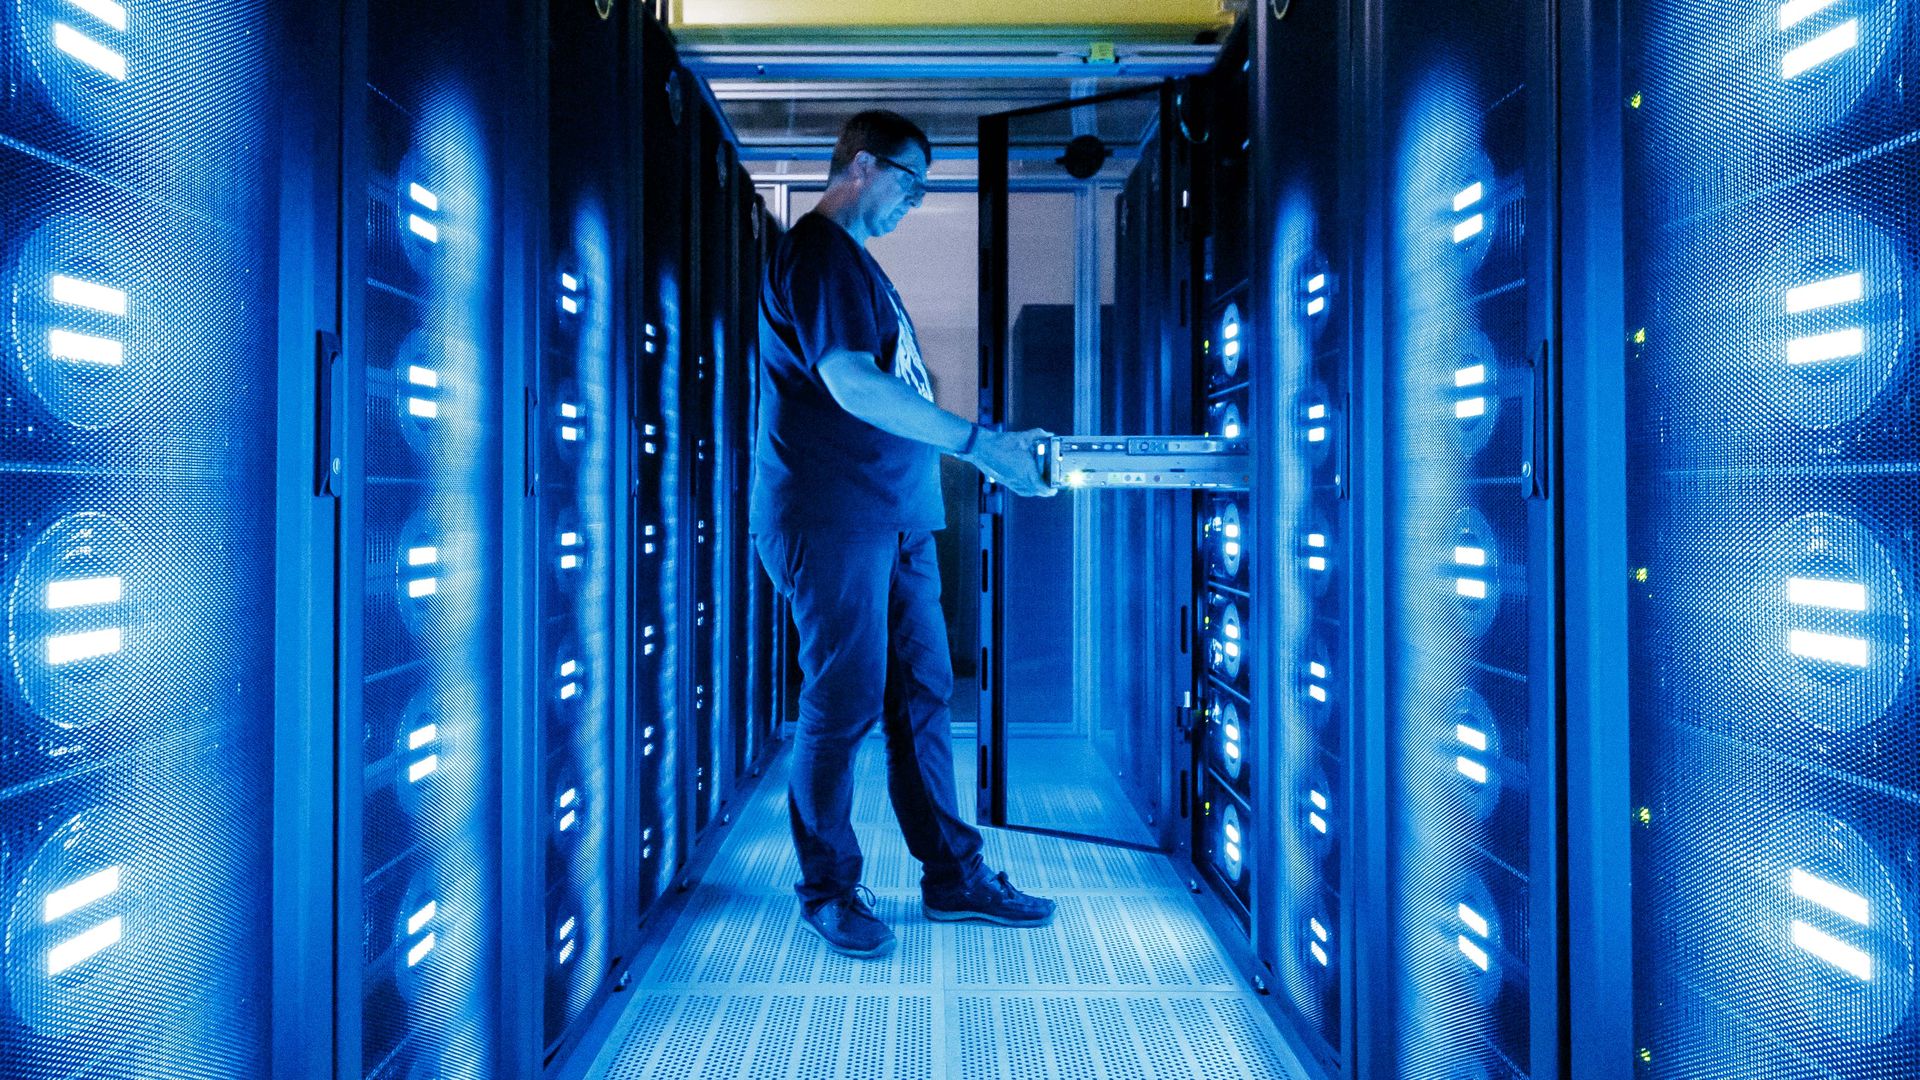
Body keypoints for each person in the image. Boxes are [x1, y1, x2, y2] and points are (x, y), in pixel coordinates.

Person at [753, 109, 1058, 958]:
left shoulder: (860, 270)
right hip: (834, 517)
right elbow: (851, 384)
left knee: (924, 697)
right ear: (860, 163)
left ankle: (954, 876)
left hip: (896, 520)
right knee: (843, 700)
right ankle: (827, 888)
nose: (916, 202)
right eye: (911, 182)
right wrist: (979, 444)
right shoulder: (818, 252)